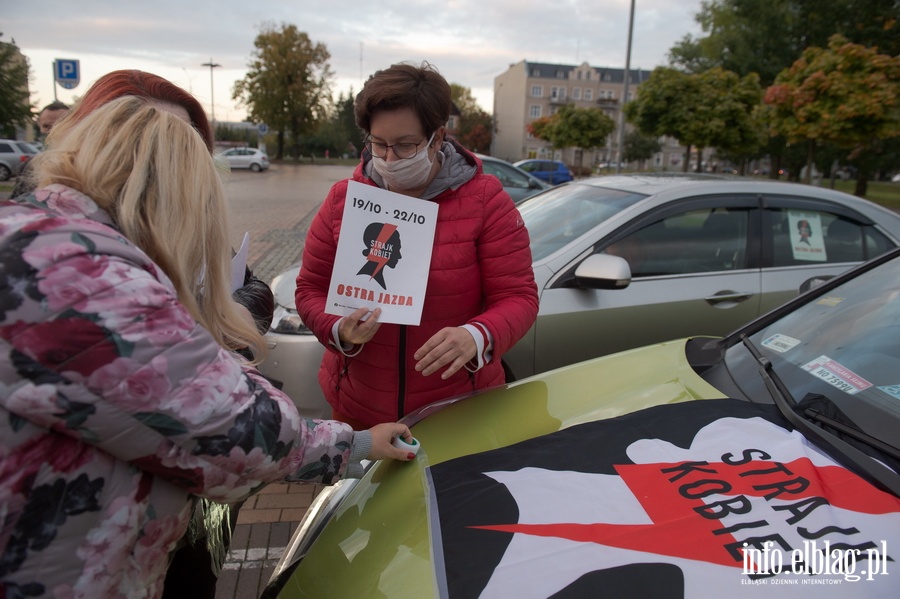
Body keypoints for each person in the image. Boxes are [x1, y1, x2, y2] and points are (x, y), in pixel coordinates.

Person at [0, 93, 413, 598]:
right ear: (173, 191)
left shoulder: (39, 238)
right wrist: (356, 445)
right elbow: (242, 428)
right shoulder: (88, 277)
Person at [296, 61, 539, 430]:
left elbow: (519, 296)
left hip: (455, 409)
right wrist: (337, 329)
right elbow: (310, 288)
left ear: (437, 138)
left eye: (405, 145)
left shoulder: (485, 200)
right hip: (359, 407)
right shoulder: (344, 200)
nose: (390, 159)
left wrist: (476, 336)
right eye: (379, 143)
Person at [10, 102, 70, 199]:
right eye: (46, 126)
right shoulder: (29, 167)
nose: (51, 132)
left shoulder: (86, 166)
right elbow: (16, 203)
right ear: (39, 126)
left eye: (58, 125)